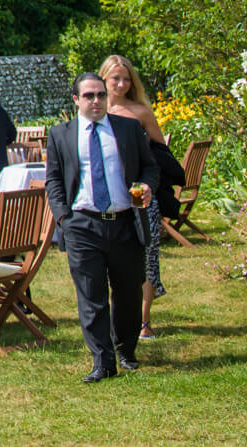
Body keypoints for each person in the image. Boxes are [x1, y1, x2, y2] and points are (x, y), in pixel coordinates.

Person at [46, 72, 159, 382]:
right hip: (82, 224)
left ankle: (126, 349)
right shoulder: (61, 135)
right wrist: (64, 218)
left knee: (128, 293)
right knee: (91, 295)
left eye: (100, 95)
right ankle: (103, 361)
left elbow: (150, 166)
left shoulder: (128, 128)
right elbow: (54, 179)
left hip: (124, 221)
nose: (96, 101)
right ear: (76, 100)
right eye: (89, 96)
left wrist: (148, 185)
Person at [101, 53, 171, 339]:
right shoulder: (93, 111)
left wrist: (152, 186)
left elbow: (160, 154)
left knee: (147, 257)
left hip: (139, 196)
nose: (121, 84)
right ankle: (112, 317)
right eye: (115, 78)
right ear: (103, 78)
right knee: (109, 259)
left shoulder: (140, 112)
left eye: (127, 79)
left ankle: (143, 320)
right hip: (105, 199)